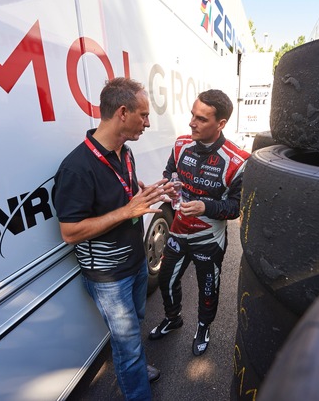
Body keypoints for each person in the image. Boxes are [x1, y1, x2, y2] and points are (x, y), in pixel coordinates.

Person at [52, 77, 173, 400]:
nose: (148, 123)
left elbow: (123, 196)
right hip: (109, 277)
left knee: (135, 327)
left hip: (135, 262)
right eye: (143, 115)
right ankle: (137, 387)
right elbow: (70, 232)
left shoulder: (125, 152)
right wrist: (126, 211)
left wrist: (144, 192)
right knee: (128, 343)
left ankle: (135, 368)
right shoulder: (76, 168)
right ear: (122, 112)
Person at [148, 89, 250, 356]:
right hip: (178, 231)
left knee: (208, 289)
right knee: (166, 280)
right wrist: (171, 185)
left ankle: (204, 327)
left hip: (209, 238)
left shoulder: (238, 160)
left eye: (201, 119)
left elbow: (237, 208)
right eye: (192, 115)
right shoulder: (181, 145)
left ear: (221, 123)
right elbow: (170, 172)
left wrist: (207, 206)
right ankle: (173, 318)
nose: (192, 123)